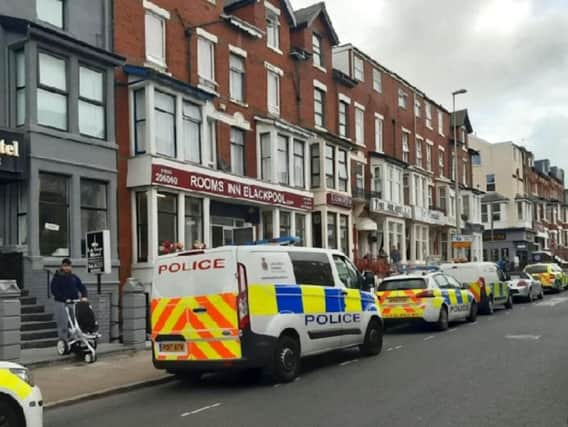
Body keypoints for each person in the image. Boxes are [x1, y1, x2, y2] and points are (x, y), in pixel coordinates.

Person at [50, 259, 88, 341]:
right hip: (61, 303)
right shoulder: (57, 277)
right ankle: (63, 341)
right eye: (65, 266)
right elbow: (54, 290)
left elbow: (82, 287)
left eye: (68, 266)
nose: (67, 268)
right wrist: (64, 299)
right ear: (62, 266)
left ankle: (73, 340)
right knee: (63, 323)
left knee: (74, 323)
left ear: (71, 267)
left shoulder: (74, 277)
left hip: (74, 303)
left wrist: (84, 296)